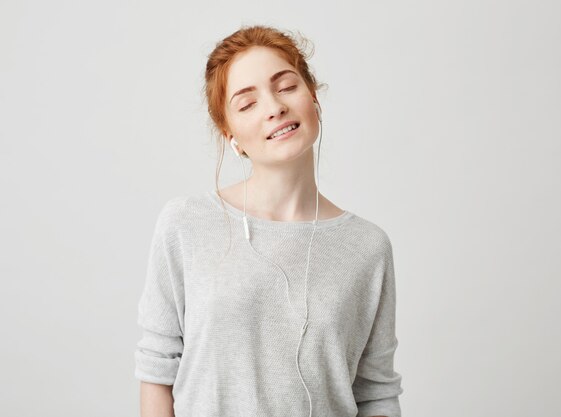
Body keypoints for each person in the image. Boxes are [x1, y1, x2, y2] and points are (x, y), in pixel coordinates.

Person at [134, 24, 403, 417]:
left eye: (287, 86)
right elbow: (157, 370)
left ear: (314, 97)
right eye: (247, 103)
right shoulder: (185, 224)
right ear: (231, 135)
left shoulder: (367, 247)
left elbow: (376, 394)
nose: (274, 107)